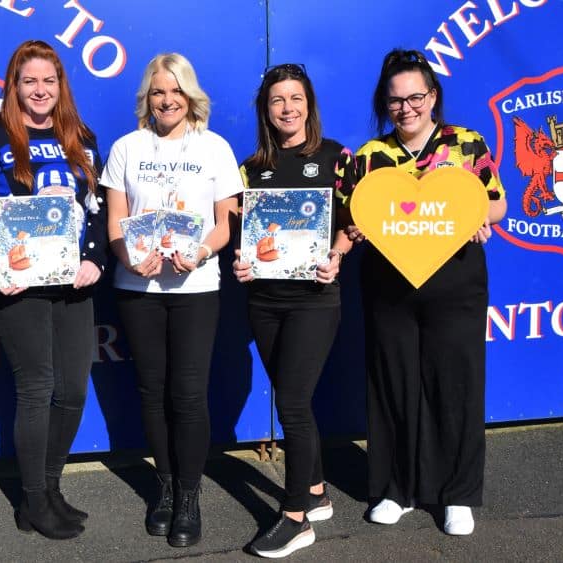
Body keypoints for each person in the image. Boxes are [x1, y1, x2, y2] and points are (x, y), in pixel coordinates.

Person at [338, 49, 507, 536]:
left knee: (455, 385)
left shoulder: (465, 143)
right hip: (390, 287)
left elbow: (496, 204)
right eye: (395, 100)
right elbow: (354, 220)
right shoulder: (371, 157)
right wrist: (355, 234)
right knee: (393, 385)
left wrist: (478, 216)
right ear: (384, 104)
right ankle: (396, 489)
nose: (406, 107)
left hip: (455, 283)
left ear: (432, 97)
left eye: (416, 97)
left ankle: (457, 495)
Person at [0, 39, 105, 540]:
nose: (40, 90)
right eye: (29, 81)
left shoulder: (81, 136)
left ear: (61, 85)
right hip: (18, 286)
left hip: (74, 286)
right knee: (37, 388)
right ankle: (32, 500)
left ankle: (52, 487)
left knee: (73, 392)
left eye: (49, 80)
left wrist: (94, 259)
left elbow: (98, 210)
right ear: (14, 86)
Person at [103, 53, 242, 548]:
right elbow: (116, 221)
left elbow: (227, 221)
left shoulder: (215, 148)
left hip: (195, 288)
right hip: (138, 287)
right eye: (159, 91)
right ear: (148, 97)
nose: (167, 100)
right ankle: (164, 487)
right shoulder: (126, 148)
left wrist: (203, 250)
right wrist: (127, 254)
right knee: (151, 391)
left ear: (190, 95)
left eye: (176, 90)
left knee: (187, 394)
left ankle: (189, 494)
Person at [232, 63, 355, 558]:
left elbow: (354, 222)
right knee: (289, 394)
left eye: (295, 98)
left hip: (314, 301)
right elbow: (240, 232)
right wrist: (240, 259)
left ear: (309, 104)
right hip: (264, 301)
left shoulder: (335, 157)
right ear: (266, 109)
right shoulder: (250, 167)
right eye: (278, 100)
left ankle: (296, 517)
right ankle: (319, 490)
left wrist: (338, 255)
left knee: (293, 405)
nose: (287, 108)